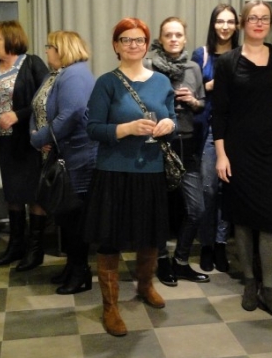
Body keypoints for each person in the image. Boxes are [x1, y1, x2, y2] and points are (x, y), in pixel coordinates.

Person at [85, 18, 176, 336]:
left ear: (147, 44)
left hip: (151, 169)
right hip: (113, 171)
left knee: (149, 235)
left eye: (139, 40)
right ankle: (110, 306)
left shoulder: (162, 81)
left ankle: (145, 286)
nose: (133, 45)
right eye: (126, 39)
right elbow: (93, 128)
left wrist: (169, 125)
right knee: (109, 239)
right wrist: (126, 129)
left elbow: (172, 116)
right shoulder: (106, 83)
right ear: (116, 45)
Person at [213, 1, 272, 321]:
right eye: (253, 18)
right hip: (238, 150)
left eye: (264, 19)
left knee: (271, 220)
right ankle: (250, 282)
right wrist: (221, 154)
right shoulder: (228, 62)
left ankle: (268, 289)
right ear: (243, 23)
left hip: (271, 150)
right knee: (244, 220)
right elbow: (219, 112)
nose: (259, 23)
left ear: (270, 24)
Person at [29, 31, 98, 294]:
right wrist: (37, 134)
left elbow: (72, 114)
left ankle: (80, 273)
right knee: (67, 217)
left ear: (62, 49)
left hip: (78, 158)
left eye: (49, 46)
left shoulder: (75, 75)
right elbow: (38, 107)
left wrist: (40, 138)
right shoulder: (59, 74)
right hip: (65, 154)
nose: (46, 50)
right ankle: (72, 267)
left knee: (74, 218)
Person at [0, 20, 49, 272]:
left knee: (34, 195)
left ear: (11, 38)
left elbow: (46, 99)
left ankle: (35, 250)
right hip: (5, 142)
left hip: (30, 141)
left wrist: (18, 115)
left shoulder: (32, 64)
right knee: (13, 195)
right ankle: (16, 246)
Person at [144, 17, 209, 286]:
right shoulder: (148, 66)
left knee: (196, 209)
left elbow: (202, 103)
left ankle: (180, 261)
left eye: (178, 35)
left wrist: (192, 100)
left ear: (185, 38)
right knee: (158, 209)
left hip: (187, 143)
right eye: (168, 35)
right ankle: (161, 261)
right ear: (160, 39)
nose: (173, 39)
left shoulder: (193, 68)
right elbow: (140, 103)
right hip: (158, 144)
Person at [192, 4, 239, 273]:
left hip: (237, 131)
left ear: (236, 25)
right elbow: (191, 91)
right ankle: (207, 244)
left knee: (227, 190)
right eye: (220, 21)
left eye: (230, 21)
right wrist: (211, 85)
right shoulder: (202, 55)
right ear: (213, 24)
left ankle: (221, 244)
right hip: (209, 129)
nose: (225, 26)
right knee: (208, 189)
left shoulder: (243, 53)